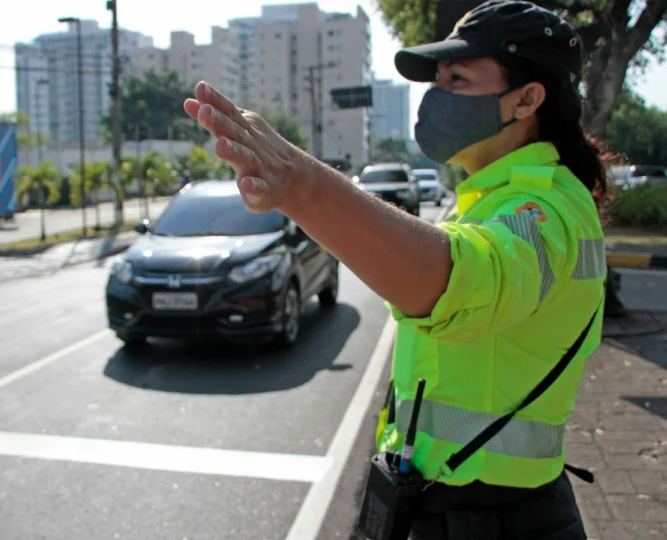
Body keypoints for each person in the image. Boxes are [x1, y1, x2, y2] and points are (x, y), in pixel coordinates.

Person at [183, 0, 608, 538]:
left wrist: (303, 187)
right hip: (444, 506)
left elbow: (462, 282)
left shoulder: (543, 207)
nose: (435, 94)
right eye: (438, 78)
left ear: (527, 99)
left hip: (498, 519)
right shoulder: (492, 198)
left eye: (458, 78)